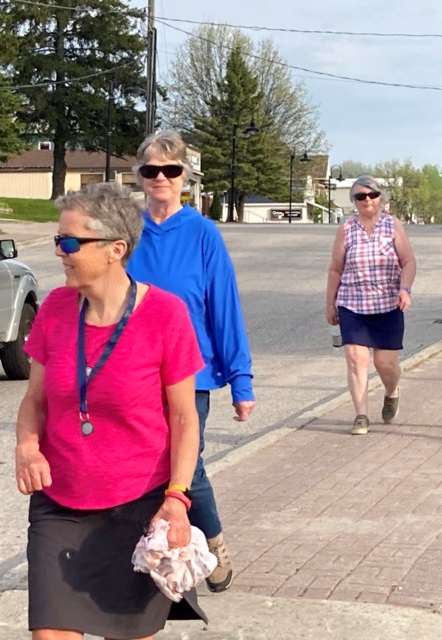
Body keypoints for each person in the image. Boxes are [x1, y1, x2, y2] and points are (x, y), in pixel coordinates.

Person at [14, 182, 208, 640]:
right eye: (56, 240)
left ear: (114, 249)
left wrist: (177, 499)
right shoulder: (57, 309)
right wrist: (27, 446)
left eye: (69, 242)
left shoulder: (165, 315)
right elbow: (34, 400)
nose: (59, 251)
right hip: (59, 504)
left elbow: (184, 419)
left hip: (137, 507)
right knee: (50, 633)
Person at [126, 129, 256, 593]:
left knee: (187, 461)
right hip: (133, 372)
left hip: (189, 371)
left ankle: (213, 542)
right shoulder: (128, 232)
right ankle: (155, 549)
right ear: (139, 176)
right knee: (142, 460)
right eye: (151, 170)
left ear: (186, 177)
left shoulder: (202, 233)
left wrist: (241, 381)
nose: (160, 178)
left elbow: (224, 307)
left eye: (170, 170)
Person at [326, 176, 417, 435]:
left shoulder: (392, 226)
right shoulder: (346, 229)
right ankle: (361, 415)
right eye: (360, 196)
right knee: (356, 358)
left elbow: (408, 261)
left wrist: (405, 289)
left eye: (372, 195)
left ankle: (391, 391)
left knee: (385, 363)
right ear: (353, 201)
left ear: (381, 197)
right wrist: (330, 304)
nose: (367, 200)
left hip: (388, 304)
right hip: (353, 304)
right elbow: (335, 269)